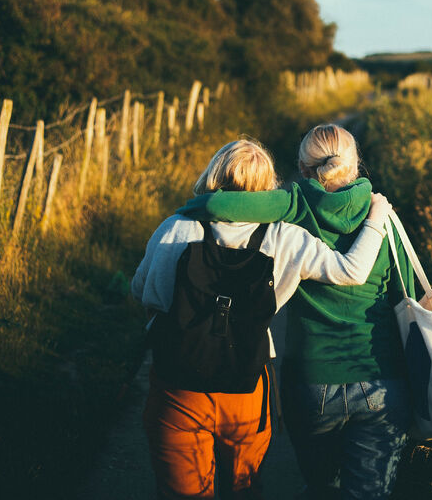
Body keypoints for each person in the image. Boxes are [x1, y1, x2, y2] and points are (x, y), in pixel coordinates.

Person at [131, 138, 392, 500]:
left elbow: (146, 293)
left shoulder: (178, 227)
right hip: (247, 384)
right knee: (244, 488)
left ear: (213, 175)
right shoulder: (286, 237)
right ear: (268, 188)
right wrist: (377, 218)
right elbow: (351, 270)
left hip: (179, 386)